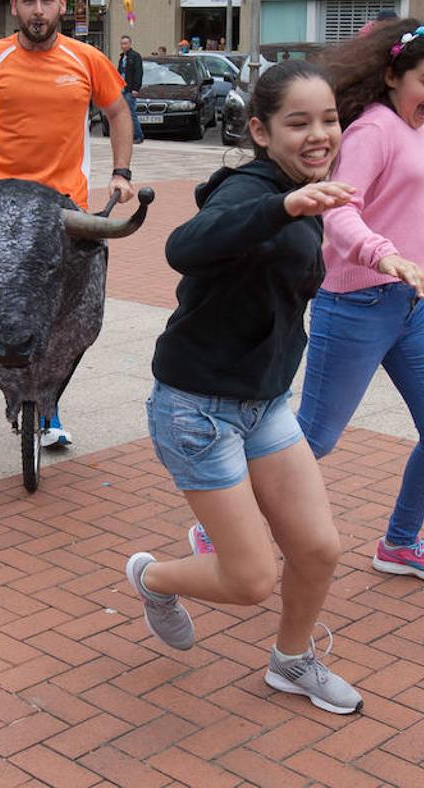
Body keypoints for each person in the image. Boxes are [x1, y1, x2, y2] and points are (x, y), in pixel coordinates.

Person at [124, 61, 362, 715]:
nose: (319, 135)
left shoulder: (306, 188)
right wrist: (280, 206)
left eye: (329, 120)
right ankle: (153, 578)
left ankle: (292, 662)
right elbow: (185, 245)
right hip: (197, 409)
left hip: (264, 405)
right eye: (299, 122)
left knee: (317, 549)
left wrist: (382, 256)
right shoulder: (251, 192)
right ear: (260, 130)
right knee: (252, 578)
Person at [294, 21, 424, 584]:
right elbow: (337, 212)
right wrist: (380, 254)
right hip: (357, 303)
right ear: (392, 76)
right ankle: (220, 530)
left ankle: (400, 544)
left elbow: (415, 200)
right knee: (311, 438)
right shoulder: (372, 131)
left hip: (415, 303)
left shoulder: (422, 127)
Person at [0, 0, 135, 447]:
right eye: (28, 1)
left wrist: (122, 172)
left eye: (46, 0)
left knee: (59, 313)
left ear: (60, 6)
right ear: (14, 6)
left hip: (61, 213)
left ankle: (47, 411)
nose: (37, 10)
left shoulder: (86, 59)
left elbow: (118, 112)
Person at [117, 34, 144, 145]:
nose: (124, 46)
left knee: (131, 112)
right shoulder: (122, 57)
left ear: (130, 44)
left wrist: (136, 88)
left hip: (130, 89)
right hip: (122, 89)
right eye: (122, 43)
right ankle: (127, 135)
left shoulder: (135, 56)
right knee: (123, 114)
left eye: (126, 43)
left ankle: (138, 135)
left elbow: (139, 73)